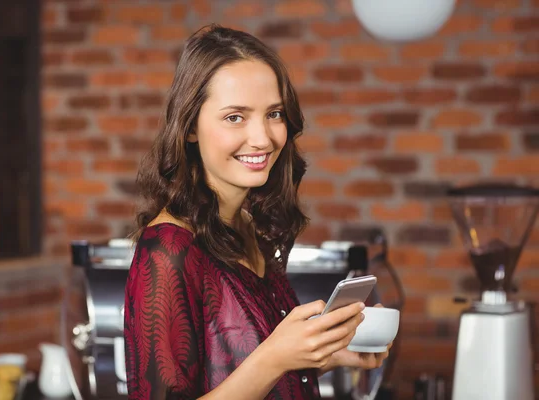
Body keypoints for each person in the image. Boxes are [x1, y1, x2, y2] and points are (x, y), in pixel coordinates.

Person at [124, 24, 391, 400]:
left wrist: (322, 355)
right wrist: (275, 358)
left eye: (274, 114)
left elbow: (237, 364)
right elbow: (263, 361)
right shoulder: (167, 248)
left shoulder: (248, 227)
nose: (263, 138)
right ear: (190, 127)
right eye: (235, 117)